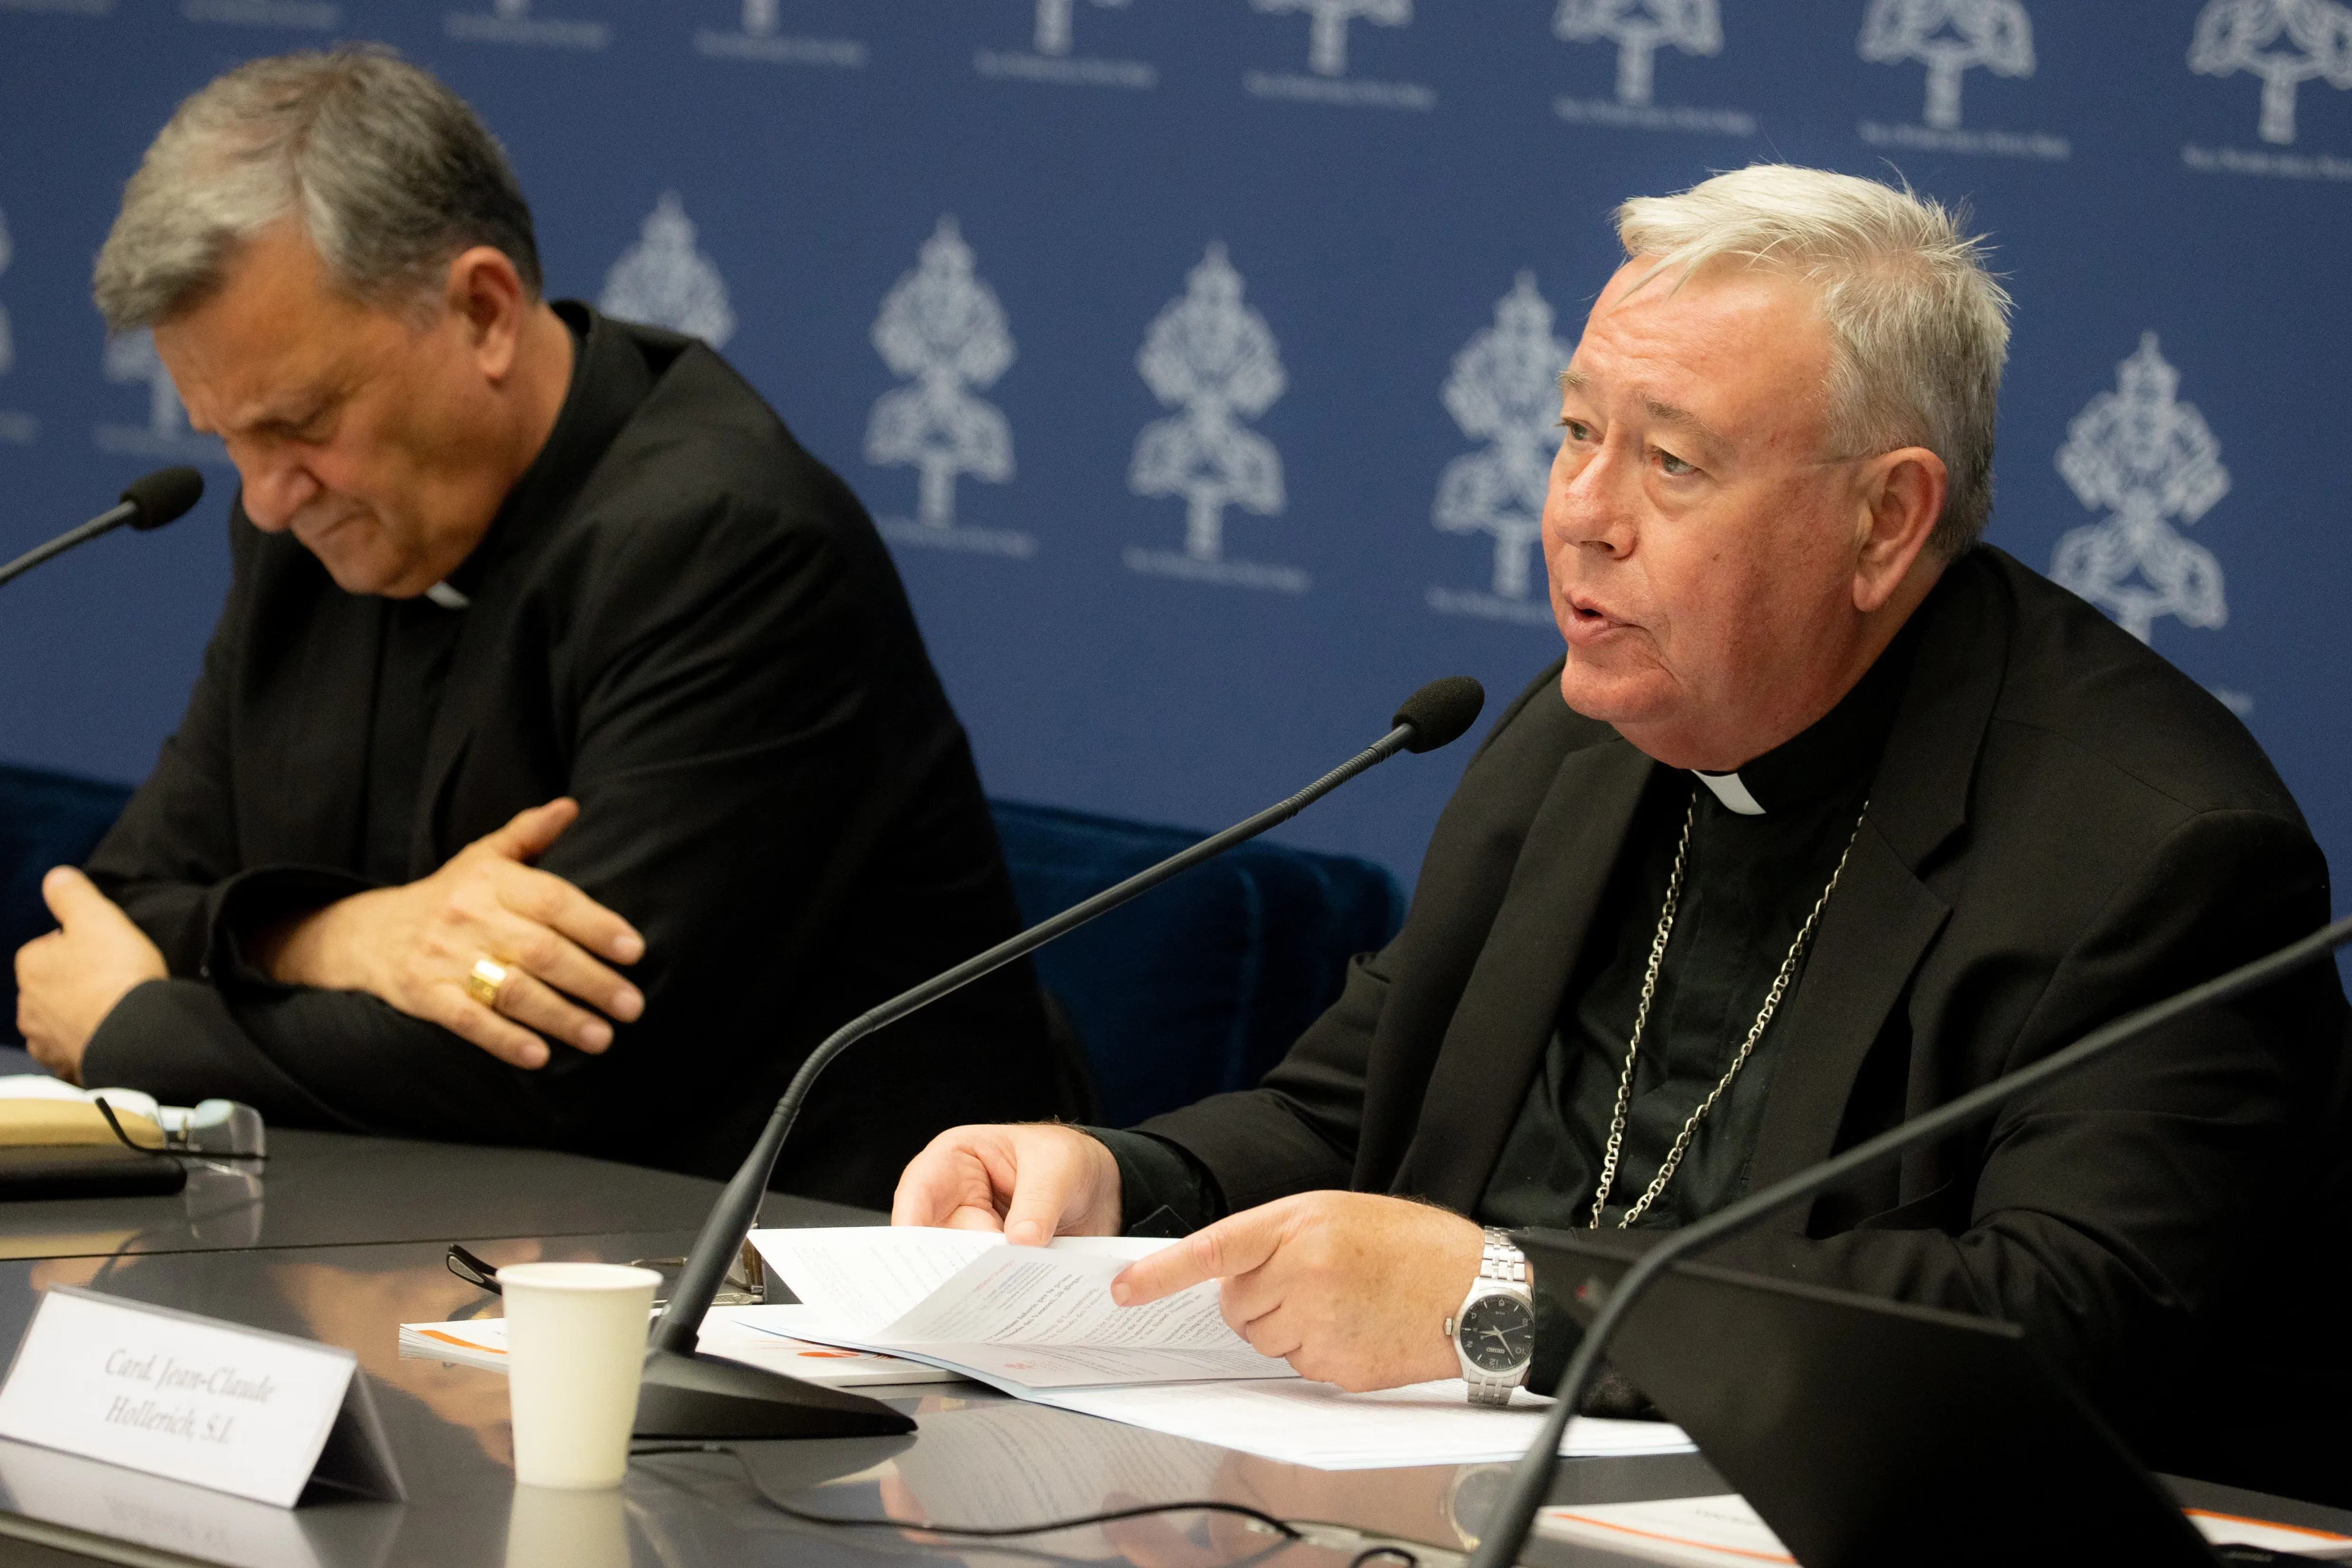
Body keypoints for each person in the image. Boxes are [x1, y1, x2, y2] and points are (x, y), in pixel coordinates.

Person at [893, 165, 2351, 1495]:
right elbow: (1356, 1115)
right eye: (1577, 432)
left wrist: (1506, 1298)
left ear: (1886, 522)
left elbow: (2051, 1318)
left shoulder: (2156, 855)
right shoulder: (1585, 732)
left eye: (1672, 464)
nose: (1578, 516)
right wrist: (1115, 1181)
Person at [11, 49, 1062, 1207]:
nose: (263, 495)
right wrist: (343, 939)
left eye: (301, 422)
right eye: (229, 440)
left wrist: (138, 1033)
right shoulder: (308, 525)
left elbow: (546, 1060)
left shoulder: (728, 543)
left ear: (483, 311)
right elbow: (117, 905)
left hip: (793, 1290)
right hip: (436, 1248)